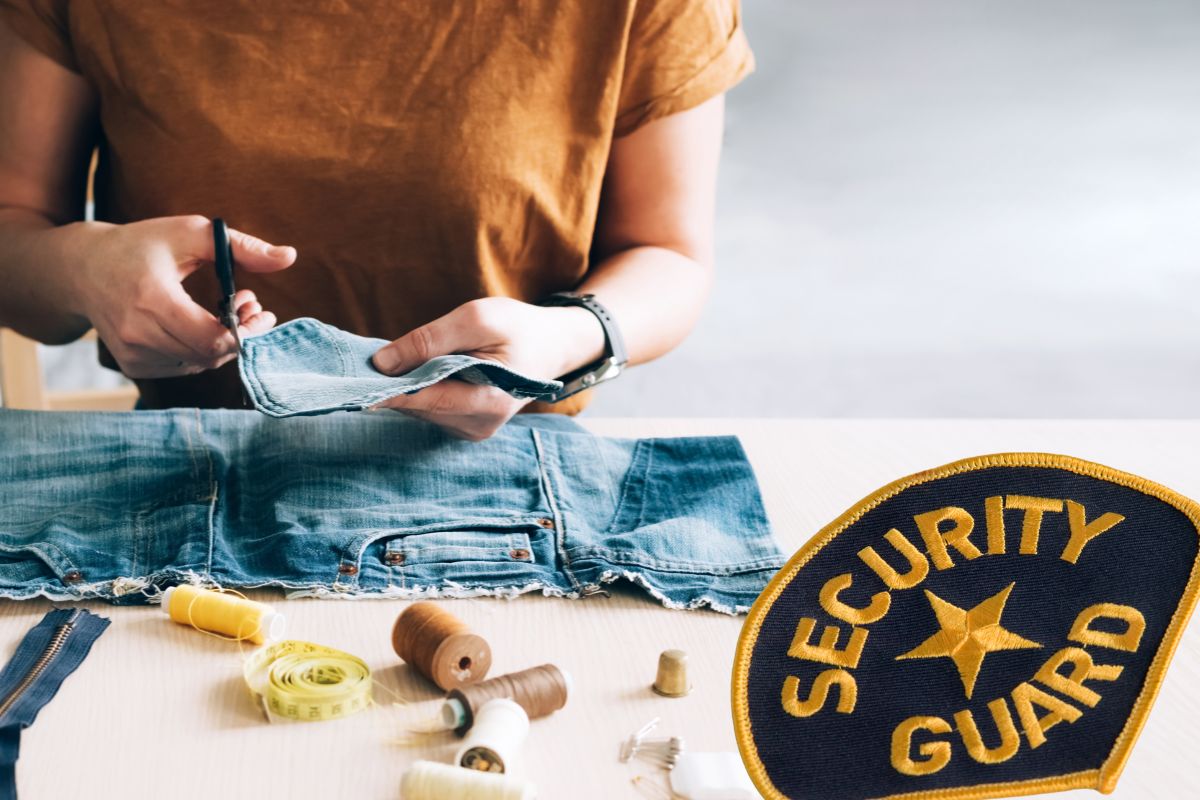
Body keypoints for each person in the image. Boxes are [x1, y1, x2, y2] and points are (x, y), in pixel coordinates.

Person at [0, 1, 752, 440]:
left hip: (510, 469)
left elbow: (668, 253)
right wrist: (83, 269)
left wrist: (570, 334)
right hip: (192, 462)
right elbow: (16, 227)